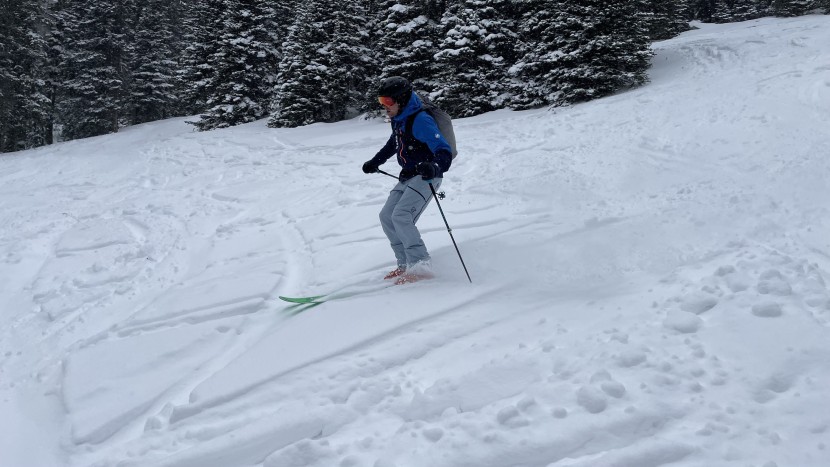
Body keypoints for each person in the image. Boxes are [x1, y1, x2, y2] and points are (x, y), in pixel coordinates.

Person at [362, 76, 453, 285]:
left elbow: (444, 151)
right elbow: (393, 144)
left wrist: (434, 166)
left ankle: (420, 265)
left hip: (427, 176)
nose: (384, 107)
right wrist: (374, 162)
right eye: (381, 101)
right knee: (387, 216)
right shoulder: (400, 118)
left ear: (401, 100)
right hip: (409, 176)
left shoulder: (420, 119)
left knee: (401, 216)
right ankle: (405, 264)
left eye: (388, 102)